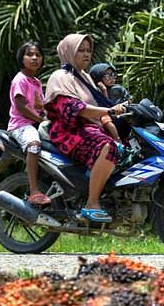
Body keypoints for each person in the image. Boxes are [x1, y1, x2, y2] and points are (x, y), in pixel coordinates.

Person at [44, 34, 127, 223]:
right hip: (68, 131)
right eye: (81, 50)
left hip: (88, 128)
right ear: (69, 52)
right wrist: (109, 110)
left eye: (89, 50)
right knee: (109, 147)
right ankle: (91, 203)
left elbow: (101, 105)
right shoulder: (60, 77)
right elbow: (75, 109)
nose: (86, 54)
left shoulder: (85, 78)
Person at [7, 41, 51, 205]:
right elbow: (21, 106)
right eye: (30, 54)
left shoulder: (37, 82)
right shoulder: (21, 80)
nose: (34, 58)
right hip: (21, 125)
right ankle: (33, 191)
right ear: (21, 58)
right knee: (34, 145)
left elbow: (40, 105)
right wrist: (40, 119)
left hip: (35, 125)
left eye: (38, 55)